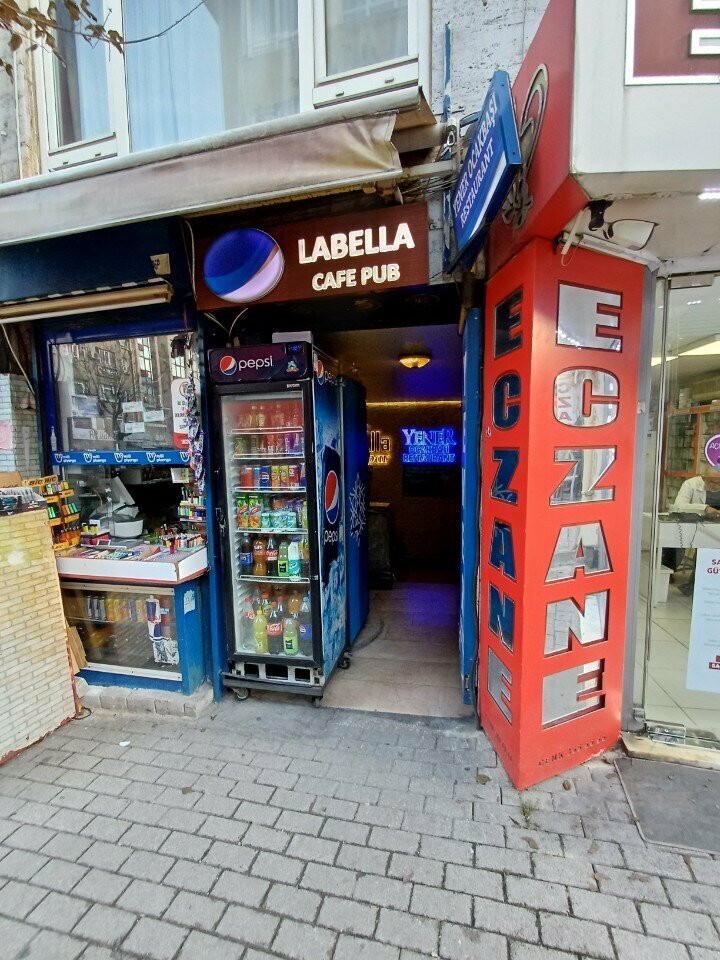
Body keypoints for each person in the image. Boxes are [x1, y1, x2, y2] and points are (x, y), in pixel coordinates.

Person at [667, 471, 720, 594]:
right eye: (713, 482)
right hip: (693, 525)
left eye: (719, 483)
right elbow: (679, 505)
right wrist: (704, 508)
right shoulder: (691, 484)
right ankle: (671, 572)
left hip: (716, 526)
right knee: (678, 545)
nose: (716, 486)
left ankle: (696, 584)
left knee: (708, 549)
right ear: (704, 478)